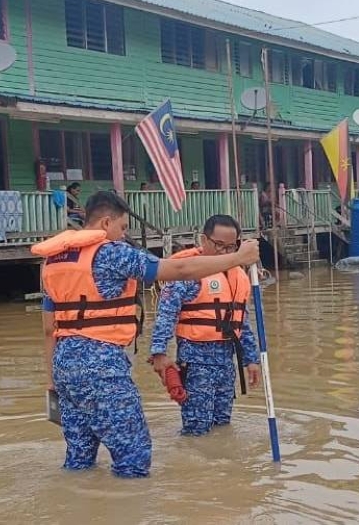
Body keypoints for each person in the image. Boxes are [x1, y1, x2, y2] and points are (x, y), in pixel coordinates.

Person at [31, 191, 260, 478]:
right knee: (134, 456)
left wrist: (52, 380)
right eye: (123, 227)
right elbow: (177, 269)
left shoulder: (53, 262)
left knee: (79, 457)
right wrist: (239, 257)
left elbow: (48, 328)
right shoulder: (111, 252)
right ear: (105, 222)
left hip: (64, 367)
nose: (123, 235)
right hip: (101, 367)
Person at [149, 215, 260, 436]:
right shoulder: (188, 272)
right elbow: (166, 314)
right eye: (219, 245)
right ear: (204, 240)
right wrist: (159, 352)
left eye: (232, 247)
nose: (225, 253)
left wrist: (251, 359)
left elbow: (241, 321)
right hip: (195, 360)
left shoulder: (238, 276)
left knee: (223, 423)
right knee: (197, 427)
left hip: (226, 361)